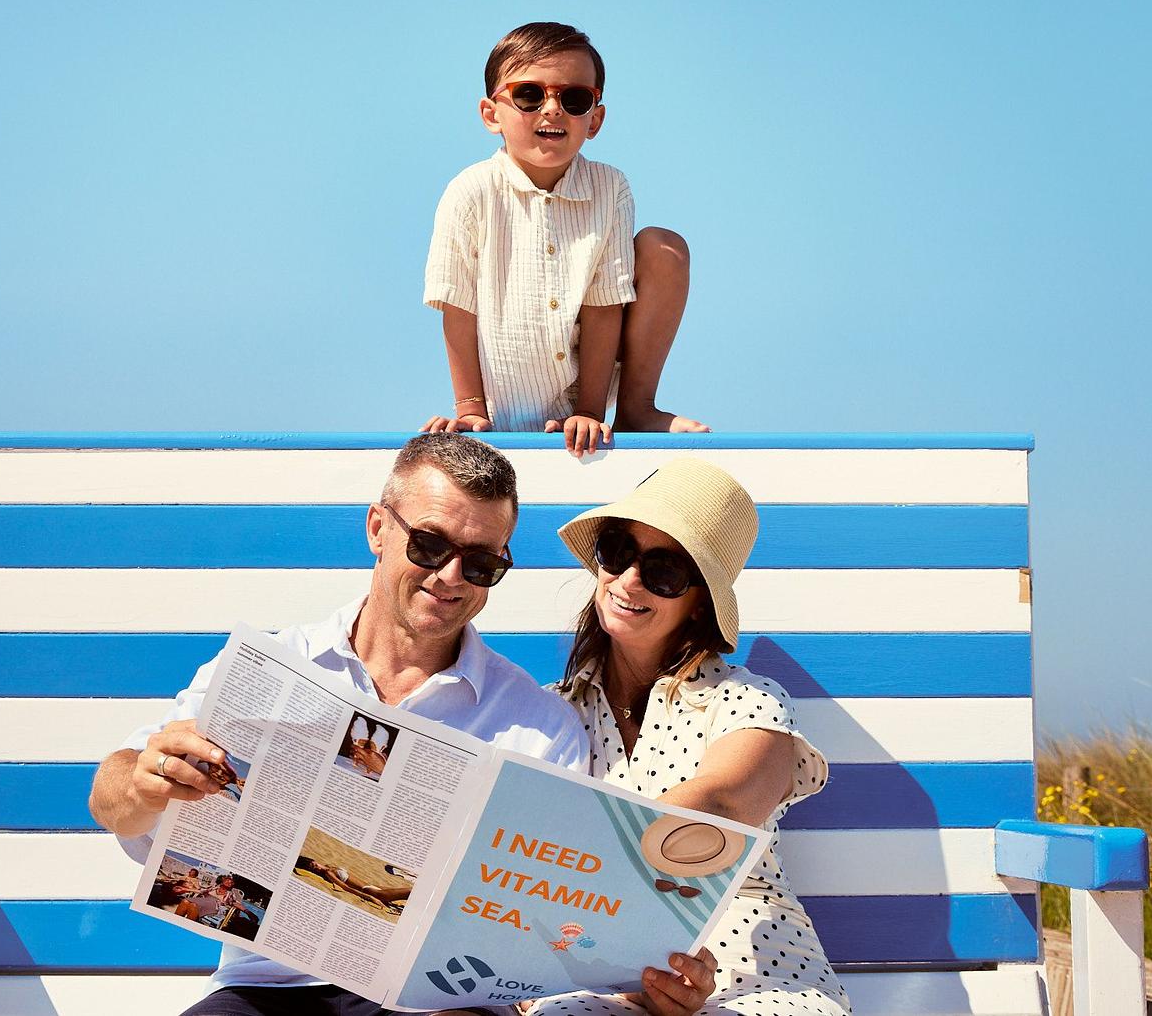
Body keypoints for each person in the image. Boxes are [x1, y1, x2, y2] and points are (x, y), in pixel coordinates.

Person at [88, 433, 717, 1016]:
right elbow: (113, 799)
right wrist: (144, 785)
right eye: (430, 545)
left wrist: (643, 971)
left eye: (480, 563)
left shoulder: (540, 724)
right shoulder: (272, 667)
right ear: (376, 529)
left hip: (441, 1004)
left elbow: (554, 921)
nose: (449, 577)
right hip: (267, 988)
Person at [531, 459, 852, 1016]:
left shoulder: (750, 700)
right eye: (616, 551)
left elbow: (724, 800)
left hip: (753, 959)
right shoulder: (548, 711)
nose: (628, 580)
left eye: (664, 571)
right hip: (582, 946)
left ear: (699, 598)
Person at [419, 22, 709, 458]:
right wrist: (470, 407)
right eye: (529, 95)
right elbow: (457, 305)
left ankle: (635, 410)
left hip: (579, 399)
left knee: (665, 247)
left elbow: (604, 303)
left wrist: (589, 412)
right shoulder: (470, 191)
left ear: (594, 119)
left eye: (573, 99)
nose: (551, 109)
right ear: (491, 113)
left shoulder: (610, 187)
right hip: (499, 405)